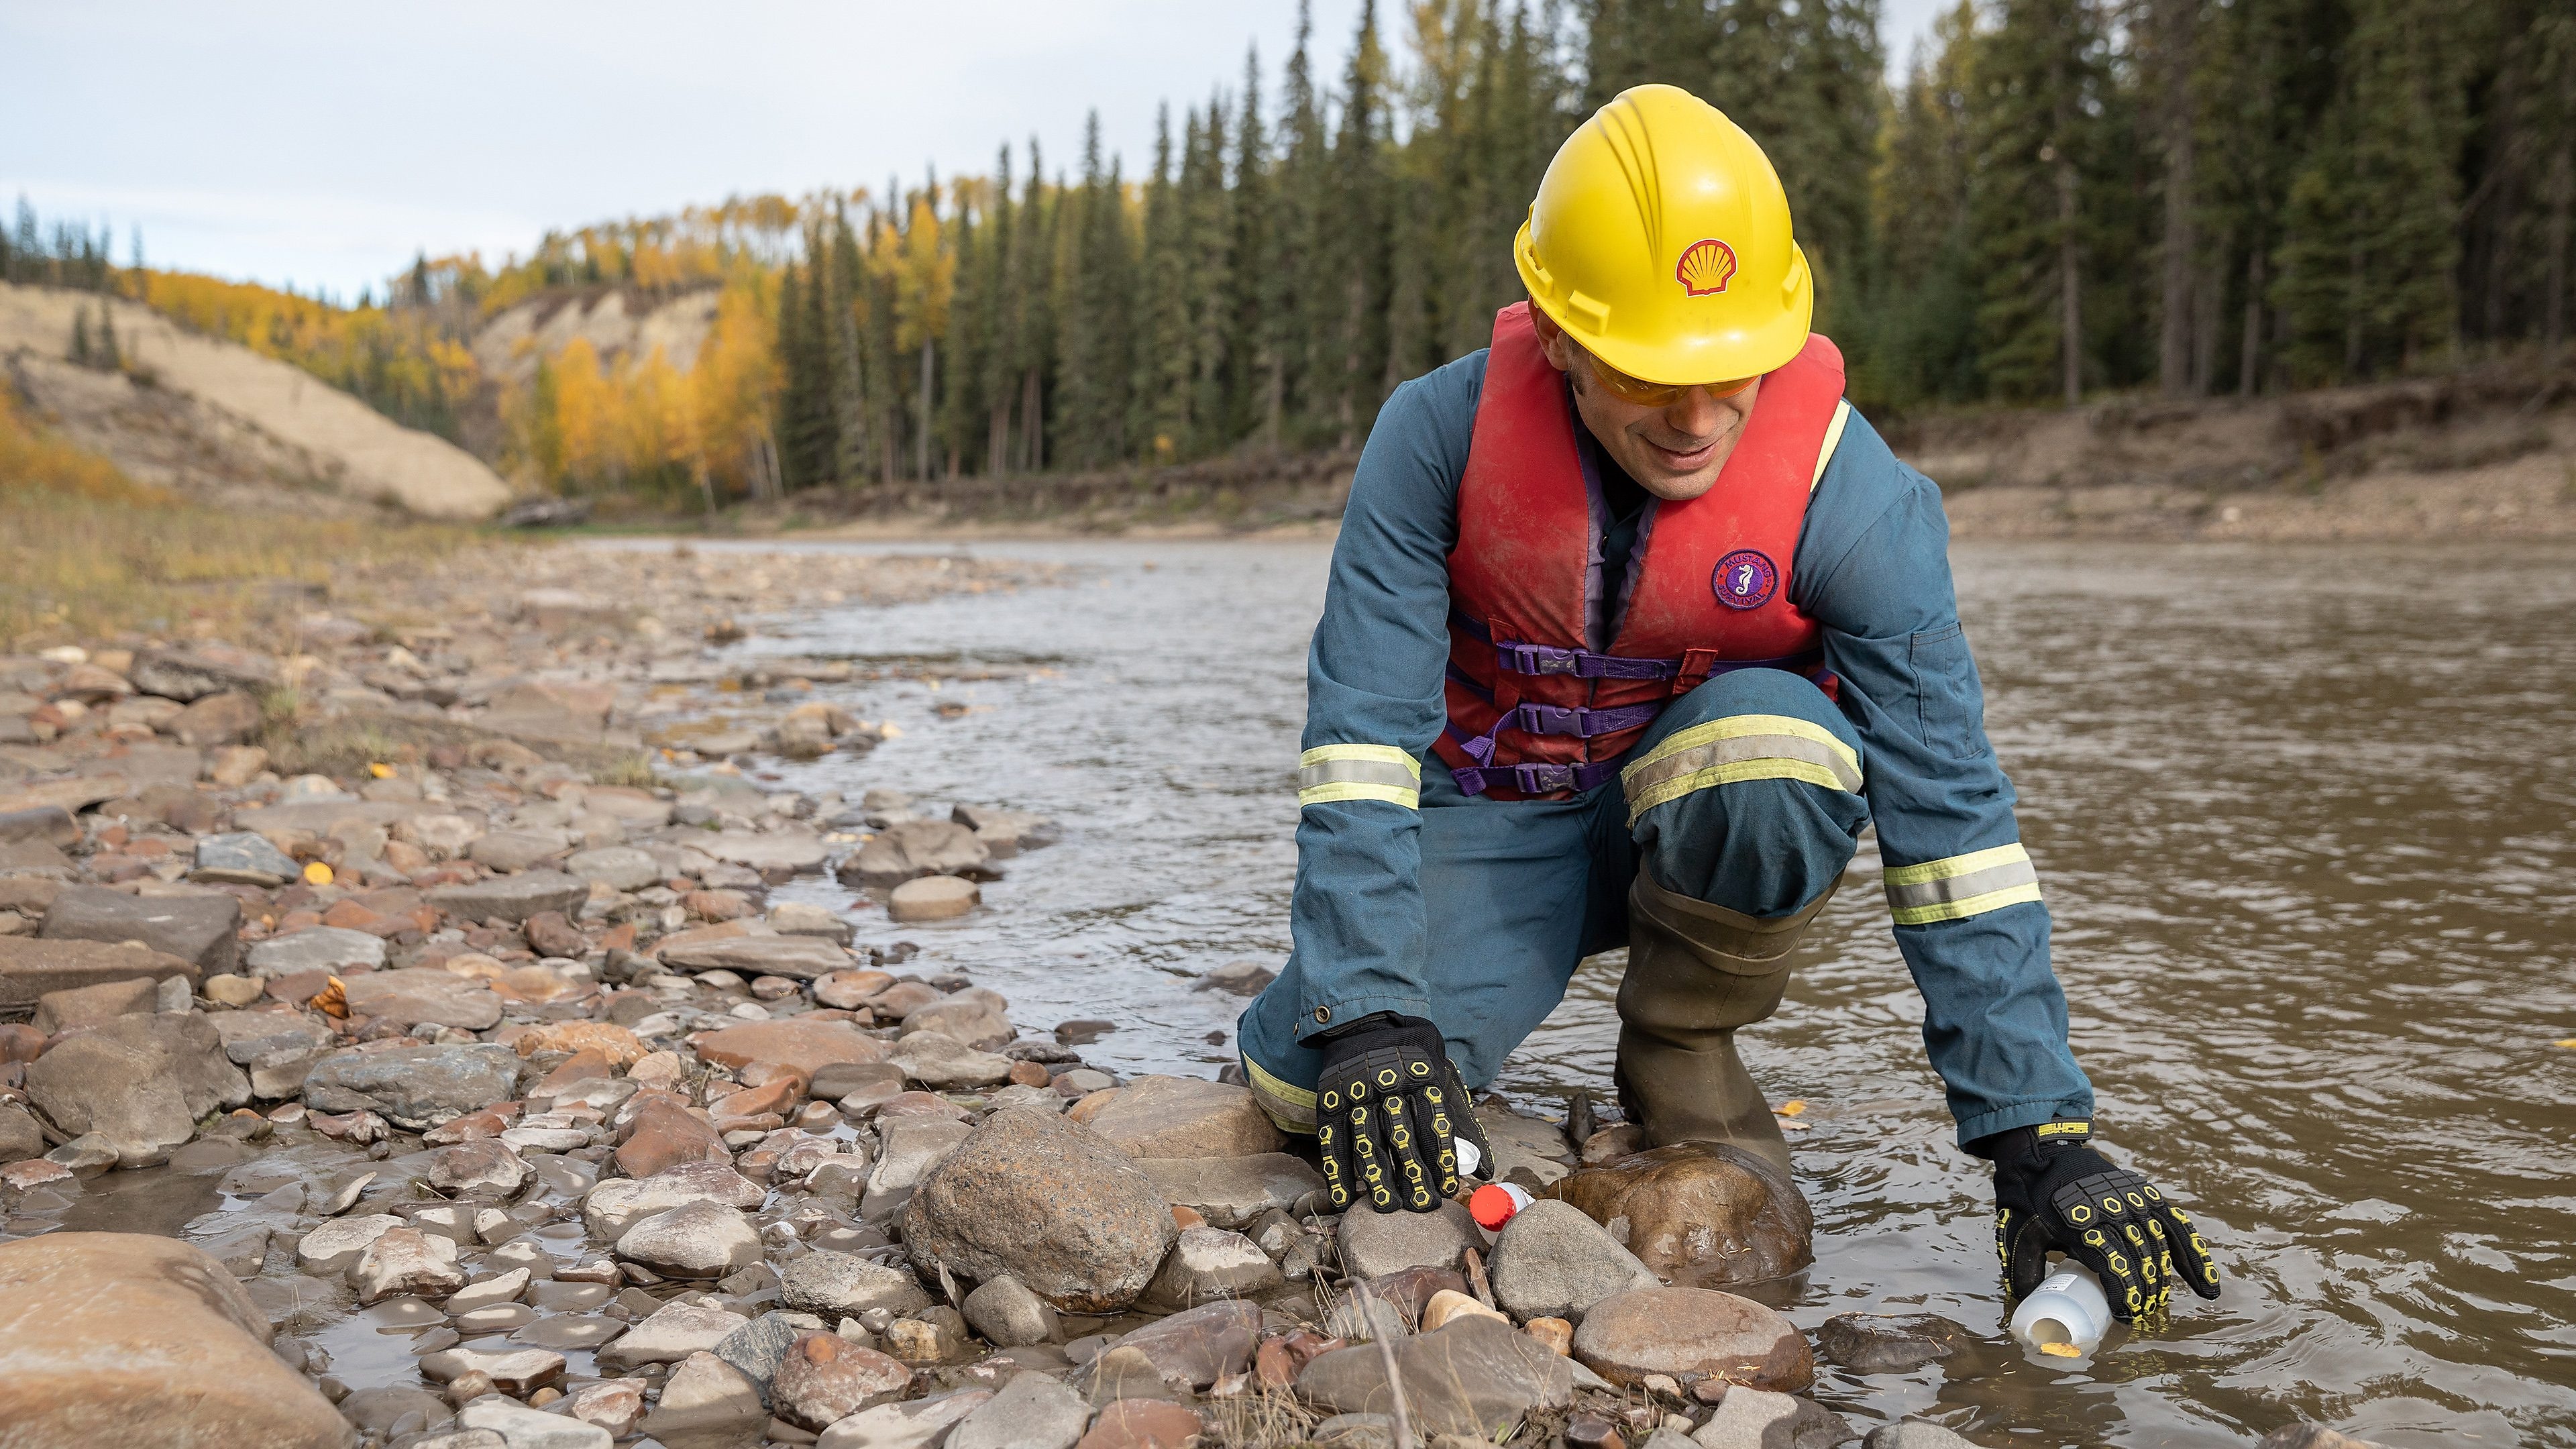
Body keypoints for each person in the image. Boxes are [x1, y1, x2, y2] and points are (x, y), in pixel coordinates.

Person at [1236, 84, 2220, 1322]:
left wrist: (2040, 1140)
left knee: (1781, 742)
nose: (1697, 420)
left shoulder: (1859, 503)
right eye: (1652, 373)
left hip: (1704, 819)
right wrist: (1369, 1006)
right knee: (1302, 1085)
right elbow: (1360, 749)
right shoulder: (1432, 438)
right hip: (1496, 817)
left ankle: (1682, 1045)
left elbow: (1955, 833)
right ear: (1560, 336)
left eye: (1731, 368)